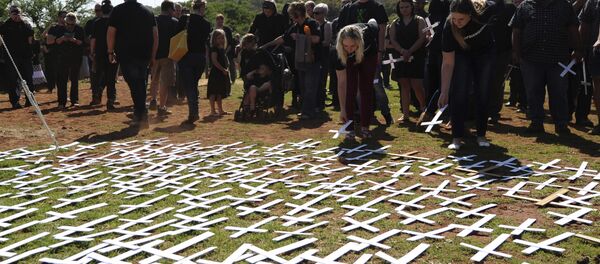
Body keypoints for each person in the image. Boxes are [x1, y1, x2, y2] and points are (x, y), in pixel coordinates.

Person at [510, 0, 582, 135]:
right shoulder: (524, 6)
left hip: (558, 59)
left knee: (559, 93)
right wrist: (515, 52)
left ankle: (561, 124)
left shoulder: (565, 6)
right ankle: (536, 123)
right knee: (533, 92)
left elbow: (573, 28)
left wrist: (577, 49)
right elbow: (516, 29)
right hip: (530, 58)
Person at [438, 0, 496, 150]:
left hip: (484, 53)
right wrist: (444, 91)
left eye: (461, 19)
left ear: (470, 15)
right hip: (462, 55)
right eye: (454, 18)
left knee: (482, 92)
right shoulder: (448, 27)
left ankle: (481, 135)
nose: (457, 22)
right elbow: (448, 63)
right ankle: (456, 138)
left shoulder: (485, 13)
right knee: (458, 92)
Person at [262, 2, 322, 120]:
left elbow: (317, 39)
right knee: (303, 87)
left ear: (298, 13)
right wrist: (266, 46)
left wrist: (301, 37)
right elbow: (283, 38)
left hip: (312, 60)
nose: (290, 16)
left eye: (292, 14)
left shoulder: (312, 23)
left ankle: (309, 112)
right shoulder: (295, 26)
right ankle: (305, 110)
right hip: (300, 61)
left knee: (310, 86)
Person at [108, 0, 158, 127]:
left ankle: (140, 114)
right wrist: (153, 56)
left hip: (126, 54)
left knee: (135, 84)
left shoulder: (118, 10)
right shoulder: (147, 11)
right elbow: (155, 35)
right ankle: (141, 114)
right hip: (144, 54)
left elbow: (111, 32)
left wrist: (110, 51)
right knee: (140, 83)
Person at [335, 22, 380, 139]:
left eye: (352, 46)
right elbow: (342, 84)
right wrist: (343, 110)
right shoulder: (339, 51)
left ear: (358, 42)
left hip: (369, 54)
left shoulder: (369, 36)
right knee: (351, 89)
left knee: (366, 89)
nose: (349, 49)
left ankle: (365, 127)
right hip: (352, 57)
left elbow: (374, 24)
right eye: (346, 46)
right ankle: (349, 128)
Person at [389, 0, 428, 125]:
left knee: (417, 85)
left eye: (406, 6)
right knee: (404, 85)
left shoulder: (419, 20)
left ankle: (424, 110)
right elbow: (392, 39)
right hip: (400, 57)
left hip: (417, 56)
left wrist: (410, 51)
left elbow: (422, 38)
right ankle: (405, 114)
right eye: (401, 7)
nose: (404, 9)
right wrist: (402, 51)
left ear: (411, 7)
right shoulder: (395, 22)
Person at [177, 0, 211, 126]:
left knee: (190, 86)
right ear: (202, 7)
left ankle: (193, 113)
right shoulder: (206, 24)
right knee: (193, 84)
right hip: (200, 57)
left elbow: (176, 35)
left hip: (186, 56)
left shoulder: (184, 19)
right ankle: (194, 110)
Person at [487, 0, 516, 124]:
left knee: (497, 82)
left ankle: (493, 111)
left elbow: (514, 29)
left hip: (503, 51)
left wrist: (513, 50)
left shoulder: (510, 8)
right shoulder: (484, 7)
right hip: (485, 50)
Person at [148, 0, 179, 117]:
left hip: (155, 55)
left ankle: (153, 100)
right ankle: (162, 107)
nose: (174, 12)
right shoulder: (175, 22)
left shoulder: (154, 20)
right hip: (168, 56)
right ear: (170, 9)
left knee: (154, 79)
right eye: (173, 9)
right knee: (164, 83)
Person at [0, 5, 34, 109]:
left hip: (25, 56)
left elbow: (30, 38)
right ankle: (15, 101)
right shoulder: (6, 25)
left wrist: (23, 22)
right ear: (10, 14)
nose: (16, 15)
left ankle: (30, 100)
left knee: (28, 78)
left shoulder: (26, 24)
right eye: (13, 13)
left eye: (17, 13)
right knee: (13, 80)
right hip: (11, 57)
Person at [90, 0, 118, 111]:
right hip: (112, 52)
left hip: (100, 53)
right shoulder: (115, 22)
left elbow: (93, 39)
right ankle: (110, 100)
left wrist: (92, 51)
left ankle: (99, 90)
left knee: (102, 74)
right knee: (111, 78)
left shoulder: (97, 22)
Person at [55, 13, 85, 109]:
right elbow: (56, 42)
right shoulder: (60, 29)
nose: (70, 26)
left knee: (74, 79)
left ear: (75, 23)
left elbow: (82, 43)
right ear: (65, 22)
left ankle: (74, 100)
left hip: (76, 57)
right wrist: (62, 38)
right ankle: (61, 102)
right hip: (63, 57)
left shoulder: (79, 29)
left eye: (72, 24)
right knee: (62, 80)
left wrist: (75, 40)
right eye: (68, 24)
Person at [581, 0, 600, 134]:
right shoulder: (592, 2)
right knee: (598, 87)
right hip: (597, 51)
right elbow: (584, 24)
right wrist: (579, 47)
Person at [207, 29, 231, 117]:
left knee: (220, 92)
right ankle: (212, 110)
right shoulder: (214, 49)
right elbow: (214, 61)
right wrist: (222, 70)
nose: (221, 40)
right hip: (216, 73)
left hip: (221, 73)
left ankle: (220, 110)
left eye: (222, 38)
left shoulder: (222, 49)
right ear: (214, 39)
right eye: (218, 38)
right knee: (213, 92)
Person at [313, 3, 331, 111]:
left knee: (321, 80)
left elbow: (327, 41)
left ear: (324, 14)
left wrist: (314, 42)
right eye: (314, 12)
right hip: (314, 55)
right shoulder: (312, 24)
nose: (315, 15)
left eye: (317, 13)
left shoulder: (327, 25)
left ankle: (320, 104)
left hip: (323, 55)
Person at [45, 11, 67, 94]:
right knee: (58, 75)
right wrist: (58, 39)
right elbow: (48, 42)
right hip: (56, 55)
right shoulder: (54, 28)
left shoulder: (69, 27)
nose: (65, 19)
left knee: (65, 76)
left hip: (67, 55)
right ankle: (58, 93)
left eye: (66, 17)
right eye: (63, 17)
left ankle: (64, 94)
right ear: (59, 17)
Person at [215, 14, 237, 84]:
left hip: (228, 50)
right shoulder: (214, 30)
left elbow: (231, 42)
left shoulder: (227, 29)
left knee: (230, 65)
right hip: (217, 51)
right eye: (218, 20)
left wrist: (225, 51)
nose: (219, 22)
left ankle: (232, 79)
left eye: (221, 21)